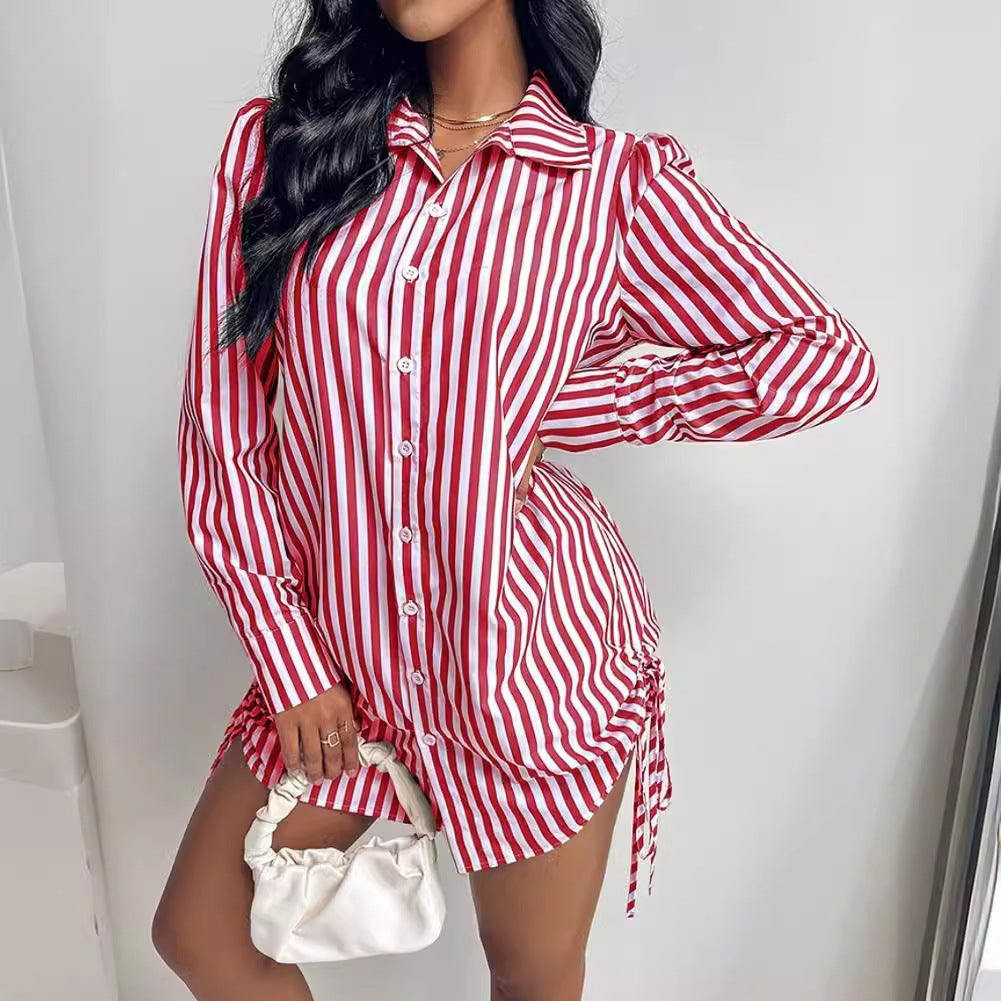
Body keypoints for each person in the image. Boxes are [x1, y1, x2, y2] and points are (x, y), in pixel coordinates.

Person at [151, 0, 879, 998]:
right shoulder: (286, 150)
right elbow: (222, 428)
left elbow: (824, 358)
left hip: (529, 659)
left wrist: (575, 401)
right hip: (341, 659)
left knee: (530, 977)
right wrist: (289, 657)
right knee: (201, 930)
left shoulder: (613, 188)